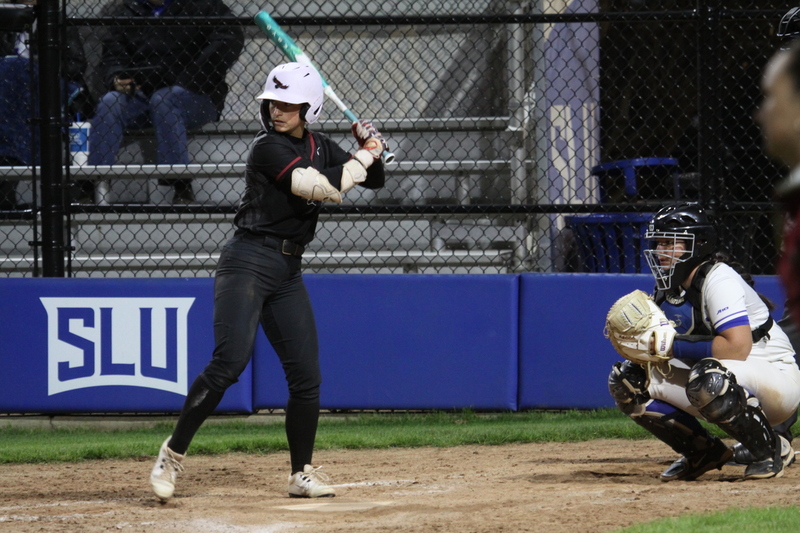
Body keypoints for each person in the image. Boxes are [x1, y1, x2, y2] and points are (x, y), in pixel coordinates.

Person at [148, 62, 388, 501]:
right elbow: (322, 189)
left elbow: (374, 179)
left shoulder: (321, 145)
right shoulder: (267, 147)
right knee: (229, 363)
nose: (277, 111)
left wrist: (368, 144)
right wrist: (368, 153)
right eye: (273, 102)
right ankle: (172, 454)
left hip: (288, 271)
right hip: (248, 261)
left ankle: (301, 473)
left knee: (306, 376)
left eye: (288, 104)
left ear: (309, 108)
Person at [607, 203, 800, 481]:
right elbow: (665, 350)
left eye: (670, 243)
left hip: (775, 378)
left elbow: (737, 348)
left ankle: (769, 452)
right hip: (727, 375)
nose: (660, 250)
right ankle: (703, 452)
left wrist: (670, 347)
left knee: (708, 377)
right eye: (658, 242)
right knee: (628, 379)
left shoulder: (718, 278)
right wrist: (643, 350)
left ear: (696, 245)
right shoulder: (668, 286)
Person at [84, 0, 243, 204]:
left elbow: (230, 39)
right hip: (143, 94)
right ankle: (91, 182)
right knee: (110, 101)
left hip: (195, 94)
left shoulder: (203, 5)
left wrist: (189, 79)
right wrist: (117, 79)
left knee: (166, 99)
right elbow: (112, 57)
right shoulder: (129, 10)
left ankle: (181, 186)